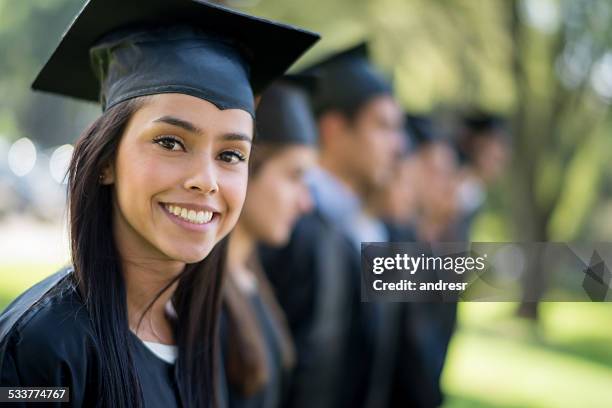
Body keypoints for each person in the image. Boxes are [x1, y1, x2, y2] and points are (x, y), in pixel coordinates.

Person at [0, 0, 318, 407]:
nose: (205, 180)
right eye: (170, 142)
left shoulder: (205, 334)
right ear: (106, 161)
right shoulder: (39, 349)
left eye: (231, 155)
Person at [260, 43, 404, 408]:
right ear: (335, 129)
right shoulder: (285, 229)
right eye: (383, 126)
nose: (398, 145)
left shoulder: (367, 230)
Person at [220, 76, 318, 408]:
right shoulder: (203, 303)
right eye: (294, 176)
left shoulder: (250, 280)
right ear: (246, 168)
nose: (306, 202)